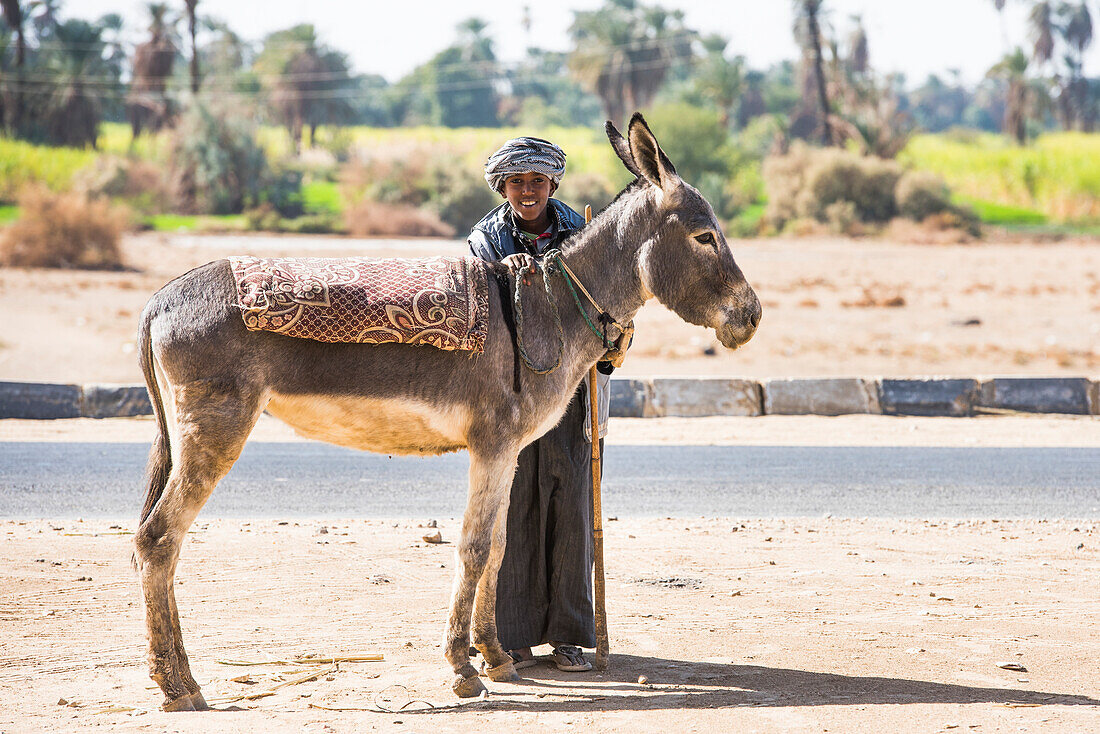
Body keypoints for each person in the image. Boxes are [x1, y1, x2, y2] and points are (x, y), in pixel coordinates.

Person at [467, 136, 611, 673]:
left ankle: (571, 635)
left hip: (574, 388)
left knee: (571, 502)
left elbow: (603, 309)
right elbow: (487, 316)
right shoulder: (485, 240)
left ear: (553, 185)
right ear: (502, 187)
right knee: (514, 505)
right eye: (517, 182)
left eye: (537, 181)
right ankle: (513, 634)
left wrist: (611, 342)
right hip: (509, 392)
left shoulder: (584, 233)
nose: (528, 191)